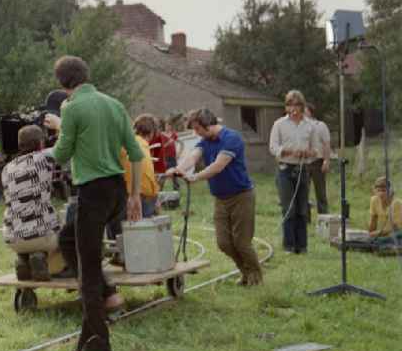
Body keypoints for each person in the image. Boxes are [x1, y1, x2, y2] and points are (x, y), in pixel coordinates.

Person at [44, 55, 143, 351]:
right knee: (67, 240)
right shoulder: (114, 104)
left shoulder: (72, 107)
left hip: (93, 192)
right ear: (85, 75)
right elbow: (137, 152)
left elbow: (61, 154)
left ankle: (100, 350)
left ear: (62, 83)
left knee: (87, 272)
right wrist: (135, 195)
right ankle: (94, 323)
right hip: (117, 190)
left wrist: (59, 127)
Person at [166, 108, 263, 285]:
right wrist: (179, 169)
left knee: (242, 242)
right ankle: (245, 272)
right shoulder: (205, 140)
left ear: (209, 124)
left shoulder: (231, 138)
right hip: (221, 198)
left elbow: (218, 165)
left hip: (241, 196)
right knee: (224, 243)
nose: (196, 133)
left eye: (197, 129)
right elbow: (193, 156)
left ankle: (255, 277)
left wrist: (195, 177)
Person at [1, 125, 59, 281]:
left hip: (12, 238)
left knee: (26, 226)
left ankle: (23, 259)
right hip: (41, 236)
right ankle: (41, 257)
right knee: (67, 233)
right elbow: (66, 145)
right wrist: (58, 125)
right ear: (40, 143)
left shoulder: (7, 169)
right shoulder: (44, 157)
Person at [269, 90, 316, 254]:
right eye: (290, 104)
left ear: (302, 106)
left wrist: (308, 153)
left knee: (302, 208)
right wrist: (288, 151)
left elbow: (315, 149)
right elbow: (273, 147)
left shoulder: (310, 125)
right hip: (285, 169)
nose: (293, 108)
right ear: (286, 106)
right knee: (289, 208)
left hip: (303, 168)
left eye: (297, 104)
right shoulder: (279, 124)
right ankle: (289, 245)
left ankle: (302, 246)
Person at [132, 114, 161, 218]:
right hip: (142, 197)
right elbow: (148, 175)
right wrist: (156, 196)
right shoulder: (142, 146)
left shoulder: (131, 143)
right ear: (152, 132)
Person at [305, 103, 331, 214]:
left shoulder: (320, 125)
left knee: (320, 191)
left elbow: (326, 144)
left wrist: (326, 160)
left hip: (317, 162)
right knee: (303, 192)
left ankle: (323, 216)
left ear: (310, 112)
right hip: (304, 162)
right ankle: (305, 217)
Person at [368, 176, 402, 248]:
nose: (381, 194)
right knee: (371, 240)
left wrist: (373, 234)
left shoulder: (397, 203)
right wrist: (368, 235)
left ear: (391, 191)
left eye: (383, 191)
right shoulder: (374, 200)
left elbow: (392, 228)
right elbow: (373, 221)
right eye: (378, 190)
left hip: (398, 232)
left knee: (388, 239)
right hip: (384, 234)